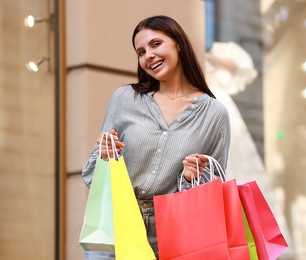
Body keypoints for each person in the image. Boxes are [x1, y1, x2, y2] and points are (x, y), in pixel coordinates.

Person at [82, 15, 231, 260]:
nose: (147, 56)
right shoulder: (124, 99)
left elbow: (213, 191)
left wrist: (190, 177)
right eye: (140, 52)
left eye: (155, 44)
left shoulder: (215, 114)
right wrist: (106, 157)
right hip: (117, 223)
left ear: (178, 44)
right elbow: (92, 175)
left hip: (174, 231)